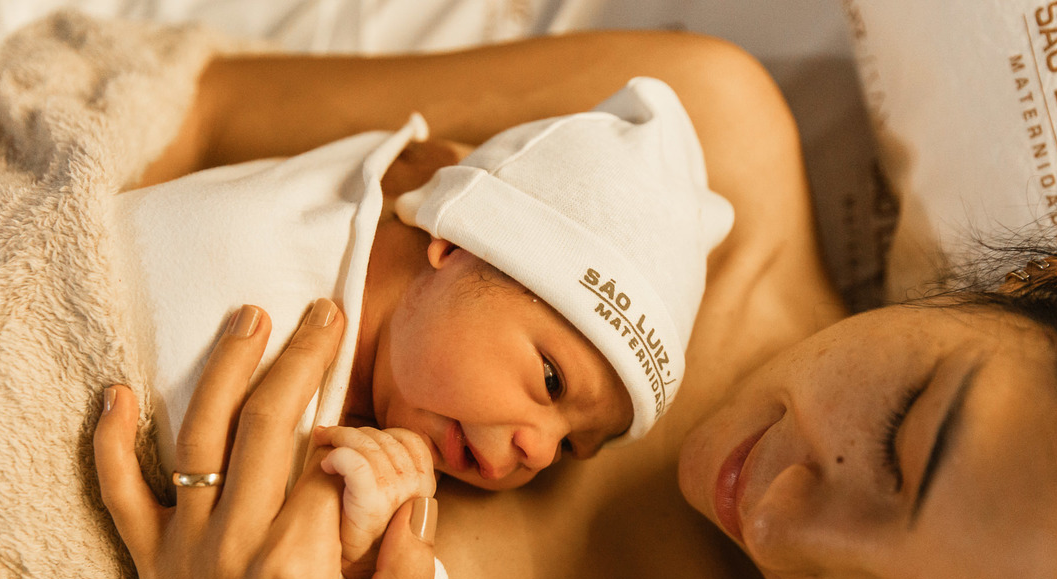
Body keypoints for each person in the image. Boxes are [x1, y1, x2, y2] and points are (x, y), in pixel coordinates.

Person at [91, 27, 1057, 579]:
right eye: (900, 443)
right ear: (1055, 277)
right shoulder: (683, 146)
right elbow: (179, 118)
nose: (780, 522)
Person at [116, 76, 732, 496]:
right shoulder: (254, 268)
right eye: (552, 380)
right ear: (454, 245)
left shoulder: (375, 444)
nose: (541, 454)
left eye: (570, 447)